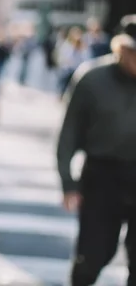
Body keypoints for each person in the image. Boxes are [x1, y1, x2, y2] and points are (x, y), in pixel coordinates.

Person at [56, 15, 136, 286]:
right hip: (102, 178)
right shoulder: (91, 79)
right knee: (92, 258)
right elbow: (68, 135)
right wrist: (68, 183)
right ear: (120, 48)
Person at [56, 26, 91, 99]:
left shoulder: (83, 46)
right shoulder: (67, 45)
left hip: (78, 69)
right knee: (64, 82)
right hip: (68, 69)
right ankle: (61, 95)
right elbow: (64, 57)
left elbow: (86, 57)